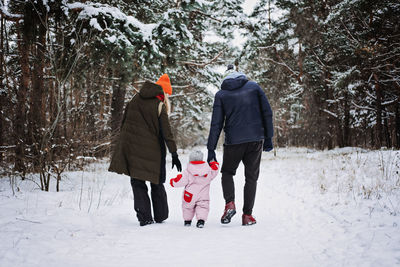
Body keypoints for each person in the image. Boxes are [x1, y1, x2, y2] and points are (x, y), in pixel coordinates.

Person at [109, 74, 182, 226]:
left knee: (137, 182)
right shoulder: (159, 104)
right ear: (163, 91)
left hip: (133, 148)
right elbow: (166, 132)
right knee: (157, 181)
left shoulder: (135, 99)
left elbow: (125, 124)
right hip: (153, 151)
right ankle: (160, 215)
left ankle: (145, 218)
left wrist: (124, 146)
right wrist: (174, 153)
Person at [207, 64, 273, 226]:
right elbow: (267, 112)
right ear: (240, 74)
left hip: (234, 142)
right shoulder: (254, 87)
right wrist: (269, 137)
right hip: (255, 140)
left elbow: (216, 124)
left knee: (228, 172)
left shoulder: (221, 95)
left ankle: (230, 203)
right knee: (251, 177)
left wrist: (211, 149)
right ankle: (247, 216)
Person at [169, 150, 219, 228]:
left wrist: (173, 182)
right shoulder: (208, 170)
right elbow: (215, 170)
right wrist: (214, 164)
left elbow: (180, 181)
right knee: (203, 206)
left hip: (190, 195)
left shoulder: (187, 171)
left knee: (187, 207)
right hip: (203, 195)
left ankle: (187, 221)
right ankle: (201, 221)